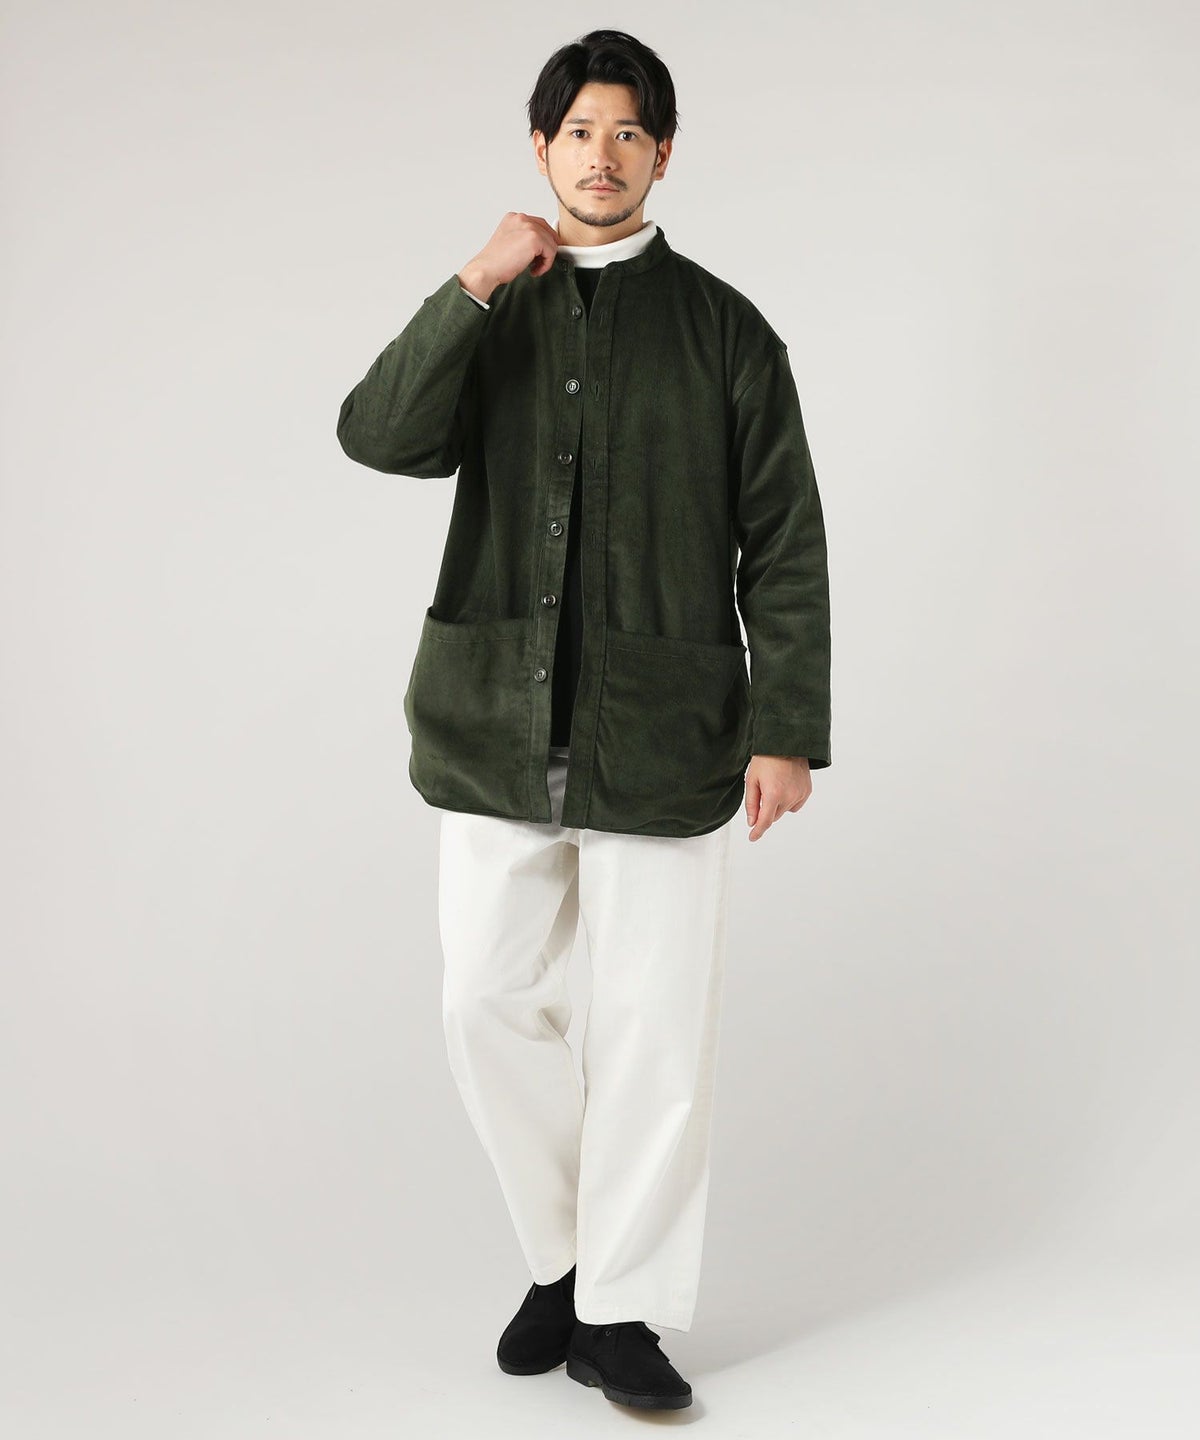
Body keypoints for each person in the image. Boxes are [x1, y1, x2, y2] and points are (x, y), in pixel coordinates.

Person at [336, 27, 832, 1412]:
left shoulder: (726, 332)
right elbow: (378, 434)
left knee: (654, 1035)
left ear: (663, 153)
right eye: (577, 132)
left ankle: (620, 1313)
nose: (600, 156)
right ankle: (563, 1260)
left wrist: (787, 725)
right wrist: (473, 281)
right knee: (483, 1003)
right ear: (540, 148)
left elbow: (785, 539)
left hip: (668, 734)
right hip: (492, 726)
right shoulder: (494, 309)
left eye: (626, 133)